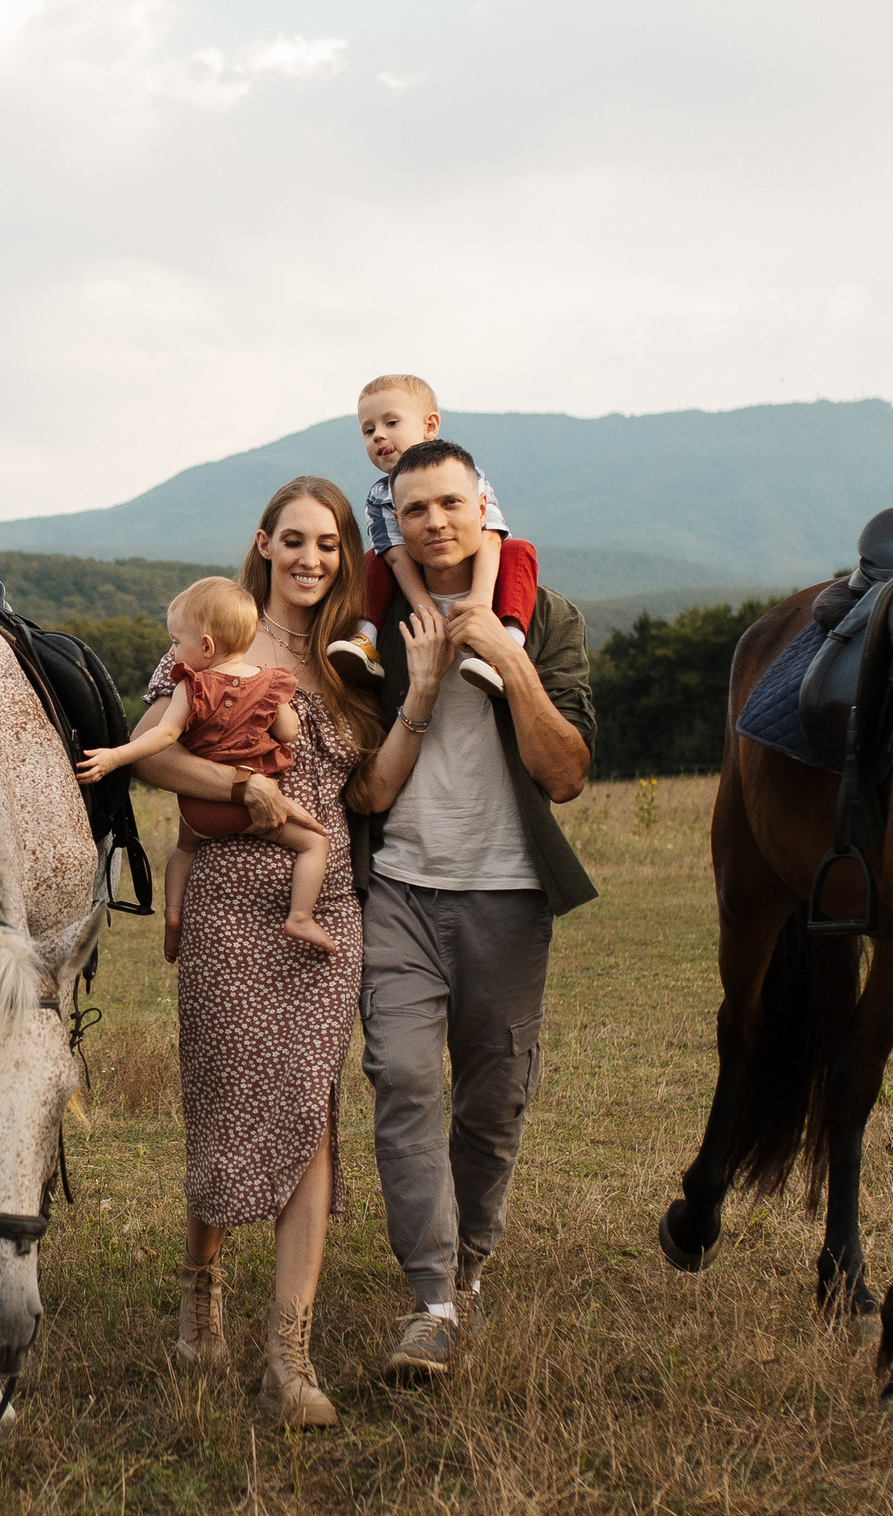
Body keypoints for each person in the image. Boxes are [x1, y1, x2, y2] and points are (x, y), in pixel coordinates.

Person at [126, 476, 383, 1427]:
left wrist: (426, 697)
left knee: (310, 1111)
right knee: (227, 1098)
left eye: (330, 543)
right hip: (229, 900)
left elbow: (368, 789)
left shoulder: (355, 658)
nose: (312, 558)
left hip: (324, 909)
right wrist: (241, 790)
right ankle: (202, 1286)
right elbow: (150, 752)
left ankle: (288, 1359)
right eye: (296, 540)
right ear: (264, 543)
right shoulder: (214, 638)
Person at [350, 438, 597, 1381]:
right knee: (404, 1080)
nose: (435, 522)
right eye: (415, 509)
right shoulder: (370, 627)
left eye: (451, 503)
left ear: (482, 507)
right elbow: (362, 791)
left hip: (509, 893)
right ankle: (433, 1304)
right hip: (399, 890)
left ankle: (469, 1265)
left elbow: (566, 773)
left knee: (493, 1102)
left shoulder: (549, 616)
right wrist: (418, 688)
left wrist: (507, 659)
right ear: (396, 522)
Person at [75, 577, 335, 953]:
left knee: (183, 851)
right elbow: (289, 732)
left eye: (176, 642)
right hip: (246, 810)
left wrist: (116, 756)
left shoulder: (191, 686)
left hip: (198, 810)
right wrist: (277, 709)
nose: (172, 651)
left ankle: (173, 914)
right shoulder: (269, 682)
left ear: (207, 646)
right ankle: (300, 916)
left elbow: (164, 735)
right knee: (314, 843)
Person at [327, 373, 541, 700]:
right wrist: (426, 609)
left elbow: (491, 535)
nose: (378, 435)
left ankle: (506, 647)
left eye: (391, 423)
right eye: (368, 430)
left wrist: (480, 602)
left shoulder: (463, 473)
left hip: (476, 570)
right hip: (416, 574)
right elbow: (396, 555)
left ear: (429, 425)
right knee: (372, 558)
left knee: (518, 550)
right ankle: (366, 637)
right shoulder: (380, 495)